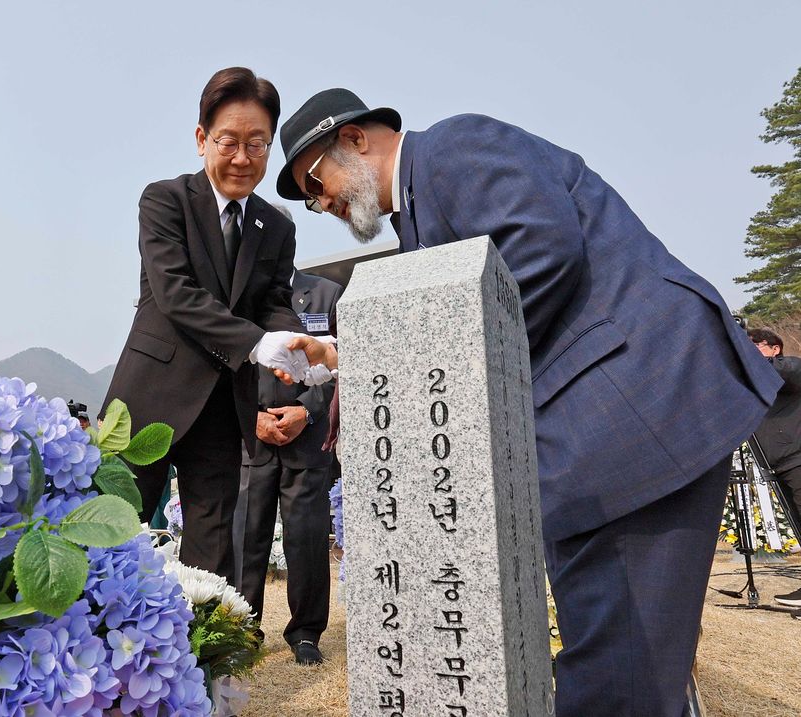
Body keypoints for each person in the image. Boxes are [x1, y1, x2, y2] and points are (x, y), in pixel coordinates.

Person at [274, 88, 782, 715]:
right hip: (588, 436)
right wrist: (349, 359)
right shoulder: (415, 218)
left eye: (313, 179)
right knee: (620, 661)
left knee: (619, 676)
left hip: (630, 412)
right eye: (305, 198)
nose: (317, 202)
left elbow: (541, 249)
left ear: (354, 138)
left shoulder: (453, 149)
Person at [101, 67, 310, 585]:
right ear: (202, 139)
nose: (242, 158)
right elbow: (175, 294)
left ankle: (200, 660)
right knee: (112, 530)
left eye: (257, 144)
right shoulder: (165, 200)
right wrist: (261, 343)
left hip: (222, 408)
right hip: (146, 400)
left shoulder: (278, 226)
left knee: (212, 550)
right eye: (229, 142)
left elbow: (275, 303)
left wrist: (293, 345)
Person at [234, 265, 342, 666]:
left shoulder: (326, 294)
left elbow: (343, 365)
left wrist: (305, 411)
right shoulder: (237, 298)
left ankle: (306, 632)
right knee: (246, 537)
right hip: (252, 438)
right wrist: (252, 418)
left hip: (308, 440)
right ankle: (243, 629)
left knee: (308, 538)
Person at [746, 327, 801, 608]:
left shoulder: (789, 370)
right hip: (777, 465)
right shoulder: (752, 382)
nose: (745, 351)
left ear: (774, 349)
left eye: (753, 346)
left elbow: (790, 370)